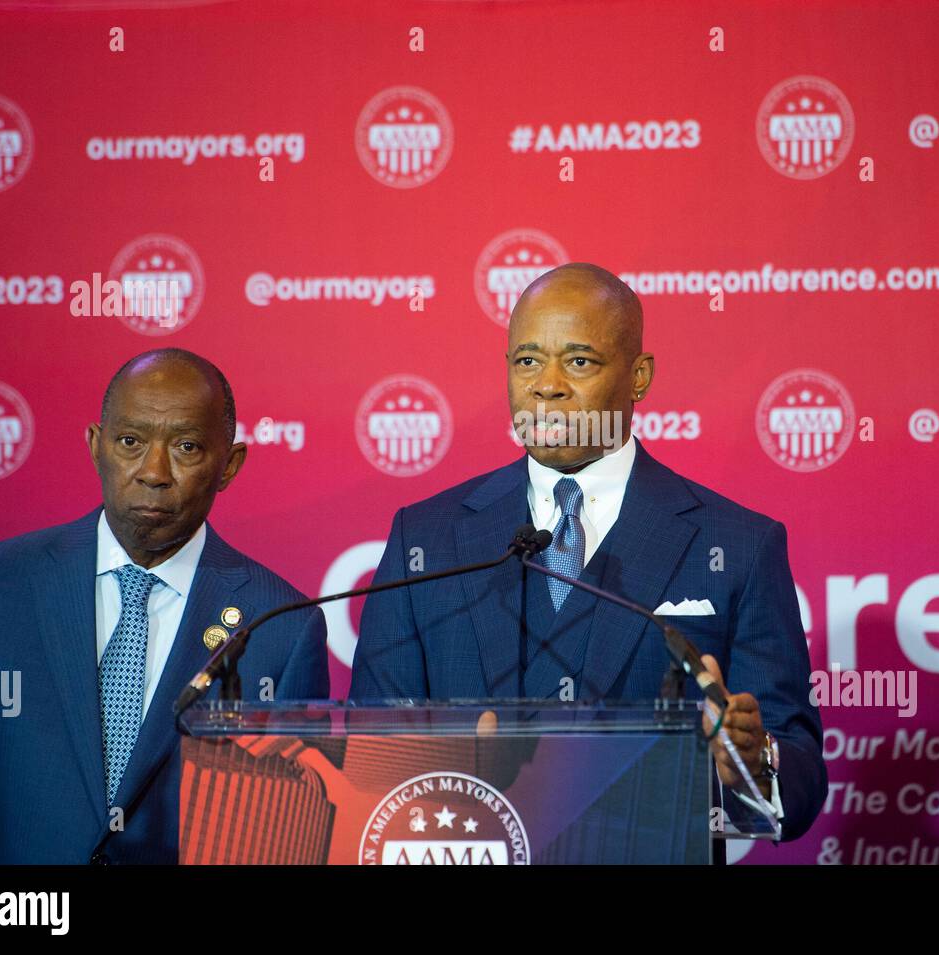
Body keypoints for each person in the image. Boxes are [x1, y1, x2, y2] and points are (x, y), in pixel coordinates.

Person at [350, 263, 825, 840]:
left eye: (579, 361)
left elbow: (797, 781)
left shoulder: (738, 545)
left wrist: (756, 762)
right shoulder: (425, 539)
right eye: (527, 360)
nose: (546, 385)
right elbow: (368, 758)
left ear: (639, 376)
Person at [0, 348, 329, 864]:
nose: (153, 472)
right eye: (131, 442)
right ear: (96, 446)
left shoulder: (282, 629)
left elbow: (283, 838)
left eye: (186, 447)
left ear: (229, 465)